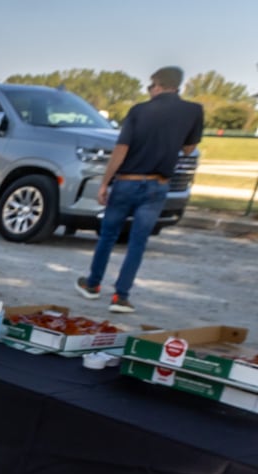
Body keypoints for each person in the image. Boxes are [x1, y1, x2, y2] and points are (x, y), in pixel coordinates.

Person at [76, 66, 203, 315]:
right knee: (138, 241)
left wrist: (105, 182)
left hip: (127, 181)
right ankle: (120, 297)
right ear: (177, 85)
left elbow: (121, 149)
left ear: (157, 84)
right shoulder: (193, 111)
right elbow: (189, 149)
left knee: (108, 235)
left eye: (150, 86)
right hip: (158, 185)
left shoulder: (139, 111)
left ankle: (92, 284)